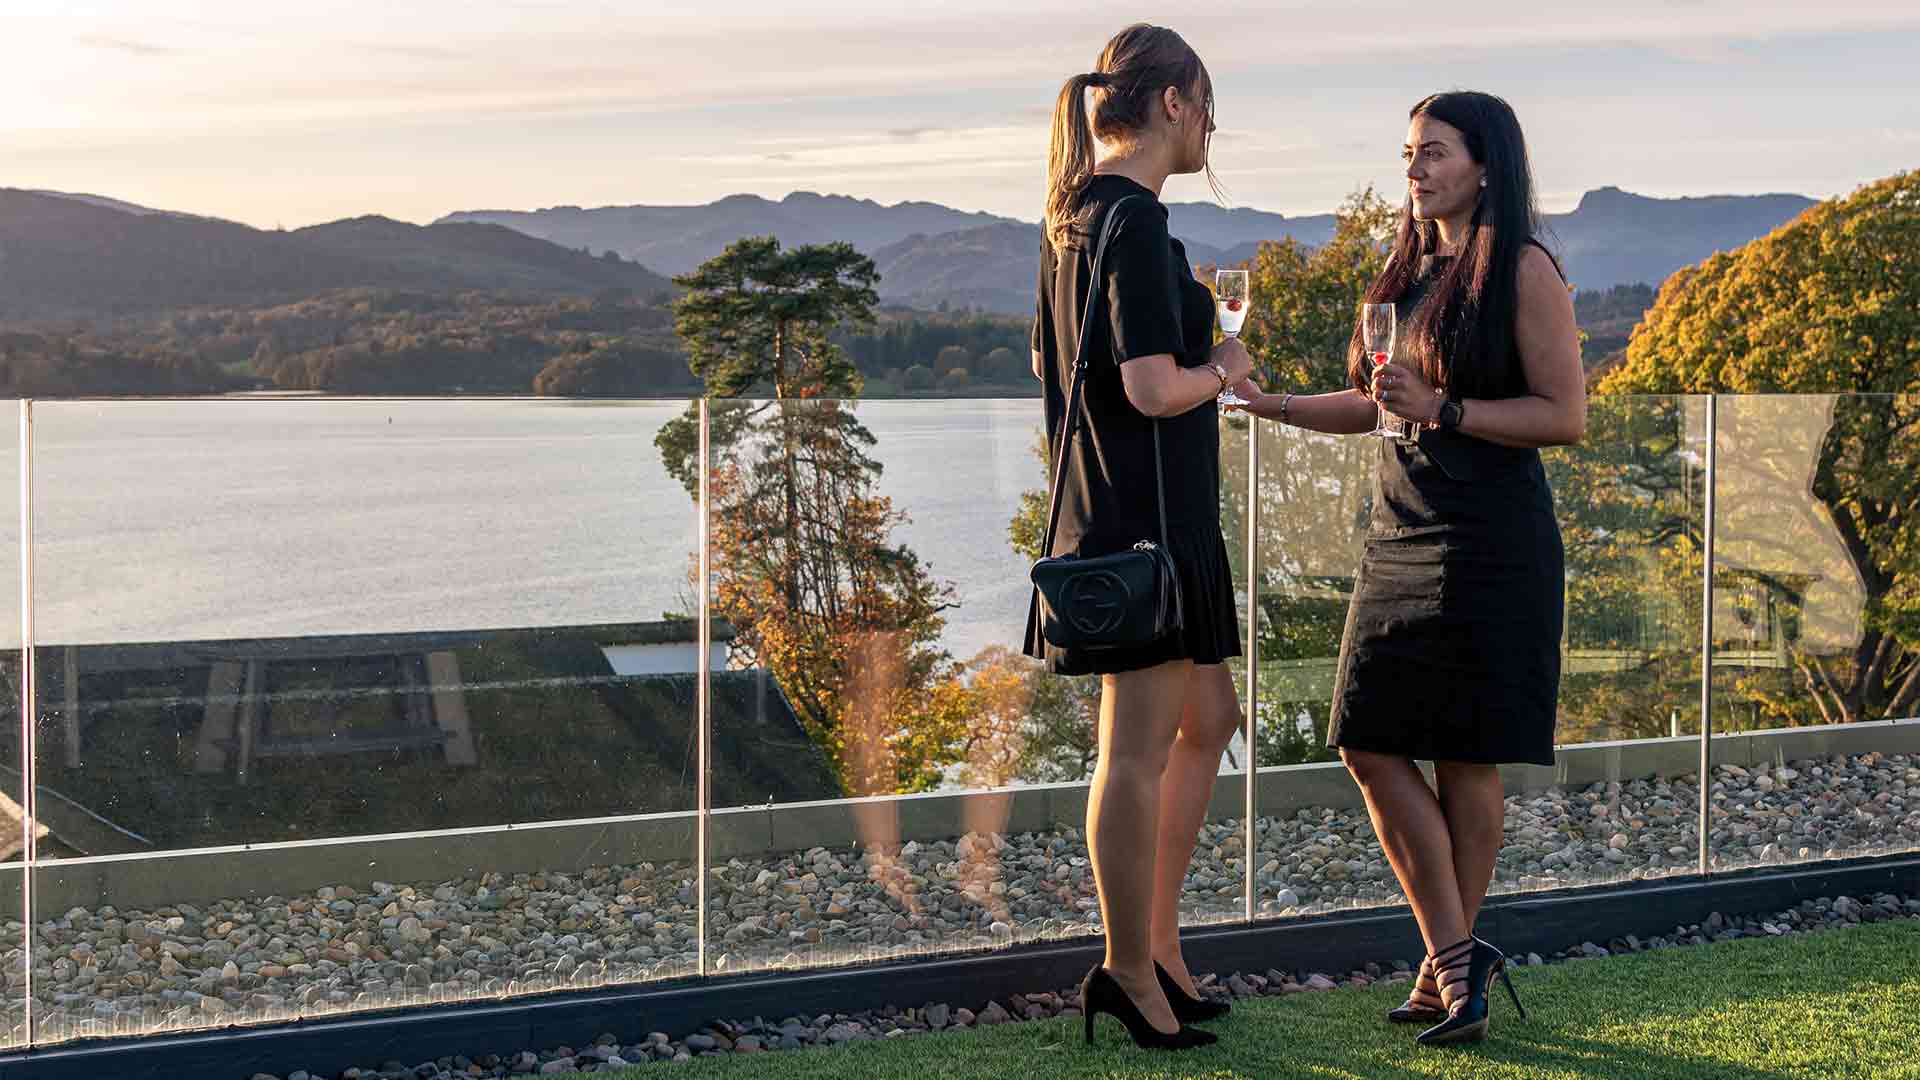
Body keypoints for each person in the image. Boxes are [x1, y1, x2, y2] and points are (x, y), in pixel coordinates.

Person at [1230, 90, 1584, 1045]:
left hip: (1492, 542)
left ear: (1484, 165)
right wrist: (1272, 405)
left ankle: (1448, 972)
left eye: (1434, 152)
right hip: (1401, 537)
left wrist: (1448, 410)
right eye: (1409, 153)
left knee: (1466, 756)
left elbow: (1565, 415)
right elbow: (1373, 404)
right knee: (1368, 742)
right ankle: (1459, 956)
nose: (1416, 168)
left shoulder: (1522, 269)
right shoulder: (1401, 276)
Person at [1023, 22, 1252, 1053]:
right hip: (1146, 529)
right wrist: (1228, 370)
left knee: (1210, 715)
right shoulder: (1135, 226)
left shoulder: (1073, 219)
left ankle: (1155, 943)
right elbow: (1154, 387)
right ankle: (1124, 967)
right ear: (1172, 104)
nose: (1211, 126)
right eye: (1207, 105)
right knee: (1135, 755)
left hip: (1142, 517)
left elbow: (1047, 367)